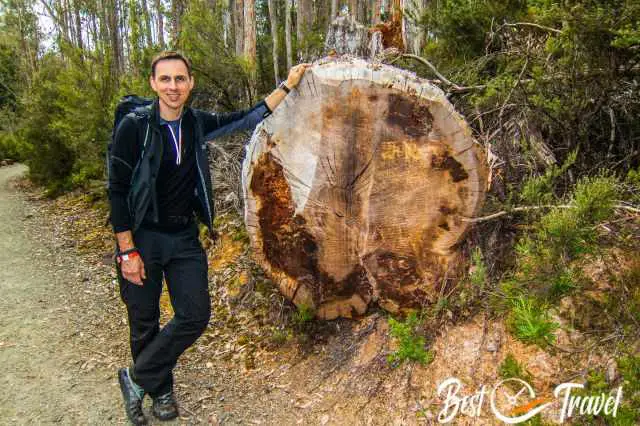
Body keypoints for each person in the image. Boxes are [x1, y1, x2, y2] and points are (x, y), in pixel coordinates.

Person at [108, 50, 308, 425]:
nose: (172, 87)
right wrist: (127, 251)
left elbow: (247, 118)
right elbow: (117, 190)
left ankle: (135, 379)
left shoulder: (197, 123)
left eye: (179, 79)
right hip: (142, 238)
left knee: (195, 314)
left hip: (183, 236)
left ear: (190, 83)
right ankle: (161, 392)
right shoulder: (134, 128)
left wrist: (288, 85)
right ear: (153, 83)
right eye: (165, 79)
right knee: (144, 320)